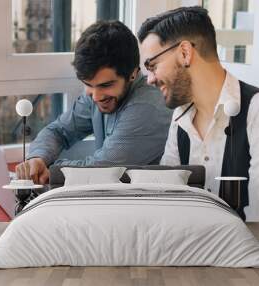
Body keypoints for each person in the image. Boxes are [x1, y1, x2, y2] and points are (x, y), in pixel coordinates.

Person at [138, 6, 259, 221]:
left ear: (185, 53)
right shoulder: (180, 119)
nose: (150, 79)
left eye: (152, 65)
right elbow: (166, 199)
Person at [16, 20, 172, 184]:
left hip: (143, 204)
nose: (96, 96)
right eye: (88, 85)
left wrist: (50, 171)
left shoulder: (147, 108)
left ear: (132, 74)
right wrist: (38, 158)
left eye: (106, 85)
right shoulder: (96, 96)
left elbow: (102, 169)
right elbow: (58, 131)